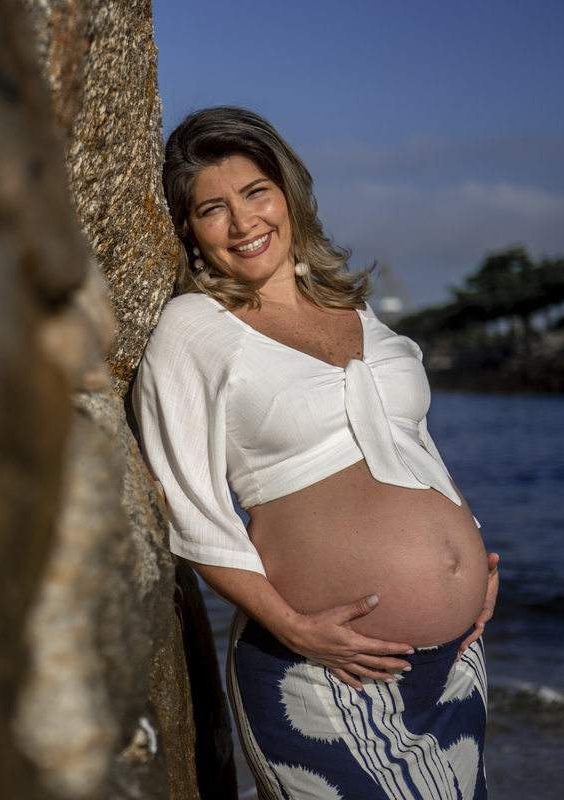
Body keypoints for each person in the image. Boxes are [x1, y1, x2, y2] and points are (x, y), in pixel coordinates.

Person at [134, 107, 500, 800]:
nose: (243, 224)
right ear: (189, 229)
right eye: (212, 208)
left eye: (255, 192)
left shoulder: (357, 312)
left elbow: (412, 442)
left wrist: (471, 556)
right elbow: (190, 509)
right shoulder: (195, 331)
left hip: (456, 665)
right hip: (323, 674)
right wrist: (295, 626)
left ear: (289, 192)